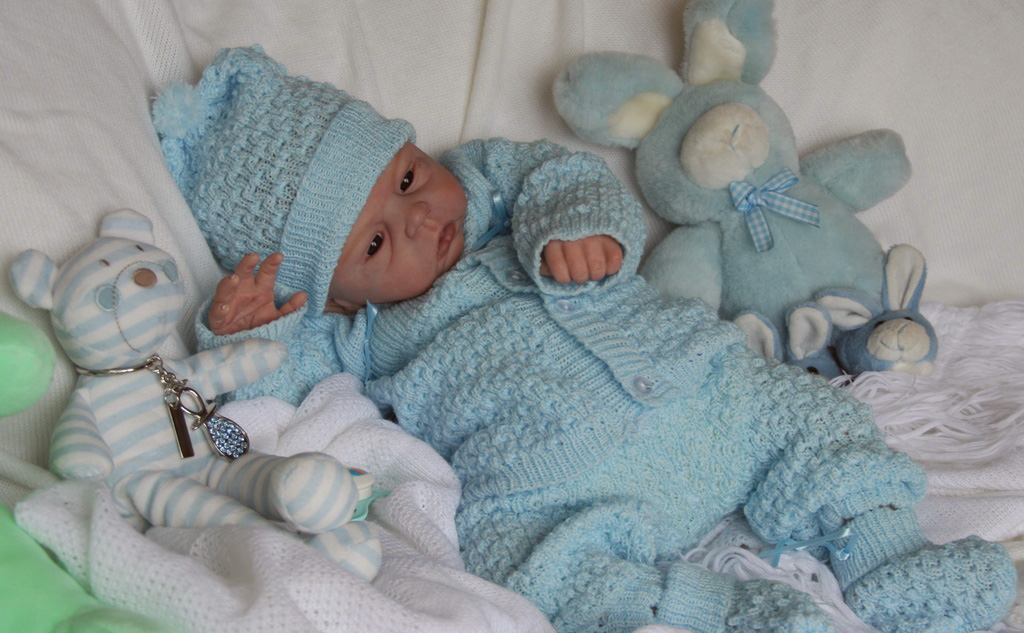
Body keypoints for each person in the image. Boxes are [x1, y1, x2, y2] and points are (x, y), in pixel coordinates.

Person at [152, 46, 1016, 633]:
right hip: (555, 485)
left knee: (810, 416)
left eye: (407, 176)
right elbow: (291, 389)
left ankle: (888, 556)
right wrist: (248, 330)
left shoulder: (496, 190)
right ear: (334, 292)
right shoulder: (361, 337)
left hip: (700, 390)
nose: (418, 217)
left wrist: (574, 227)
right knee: (524, 566)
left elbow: (562, 175)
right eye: (376, 242)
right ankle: (715, 608)